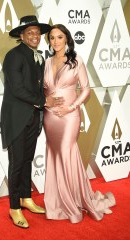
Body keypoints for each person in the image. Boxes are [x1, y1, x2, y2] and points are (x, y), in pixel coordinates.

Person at [43, 24, 116, 223]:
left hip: (69, 117)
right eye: (51, 38)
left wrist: (71, 106)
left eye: (59, 37)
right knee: (55, 156)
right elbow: (43, 90)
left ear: (66, 39)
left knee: (67, 154)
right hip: (49, 117)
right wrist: (46, 102)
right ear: (48, 41)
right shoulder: (46, 63)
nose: (55, 41)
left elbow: (86, 89)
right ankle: (58, 201)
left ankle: (75, 199)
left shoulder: (76, 61)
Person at [0, 15, 63, 229]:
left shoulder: (39, 57)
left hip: (33, 118)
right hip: (17, 119)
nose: (35, 36)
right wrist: (44, 101)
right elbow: (17, 90)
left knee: (27, 160)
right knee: (16, 163)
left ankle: (26, 198)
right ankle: (14, 206)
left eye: (37, 32)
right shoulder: (13, 56)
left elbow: (39, 86)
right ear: (21, 35)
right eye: (30, 33)